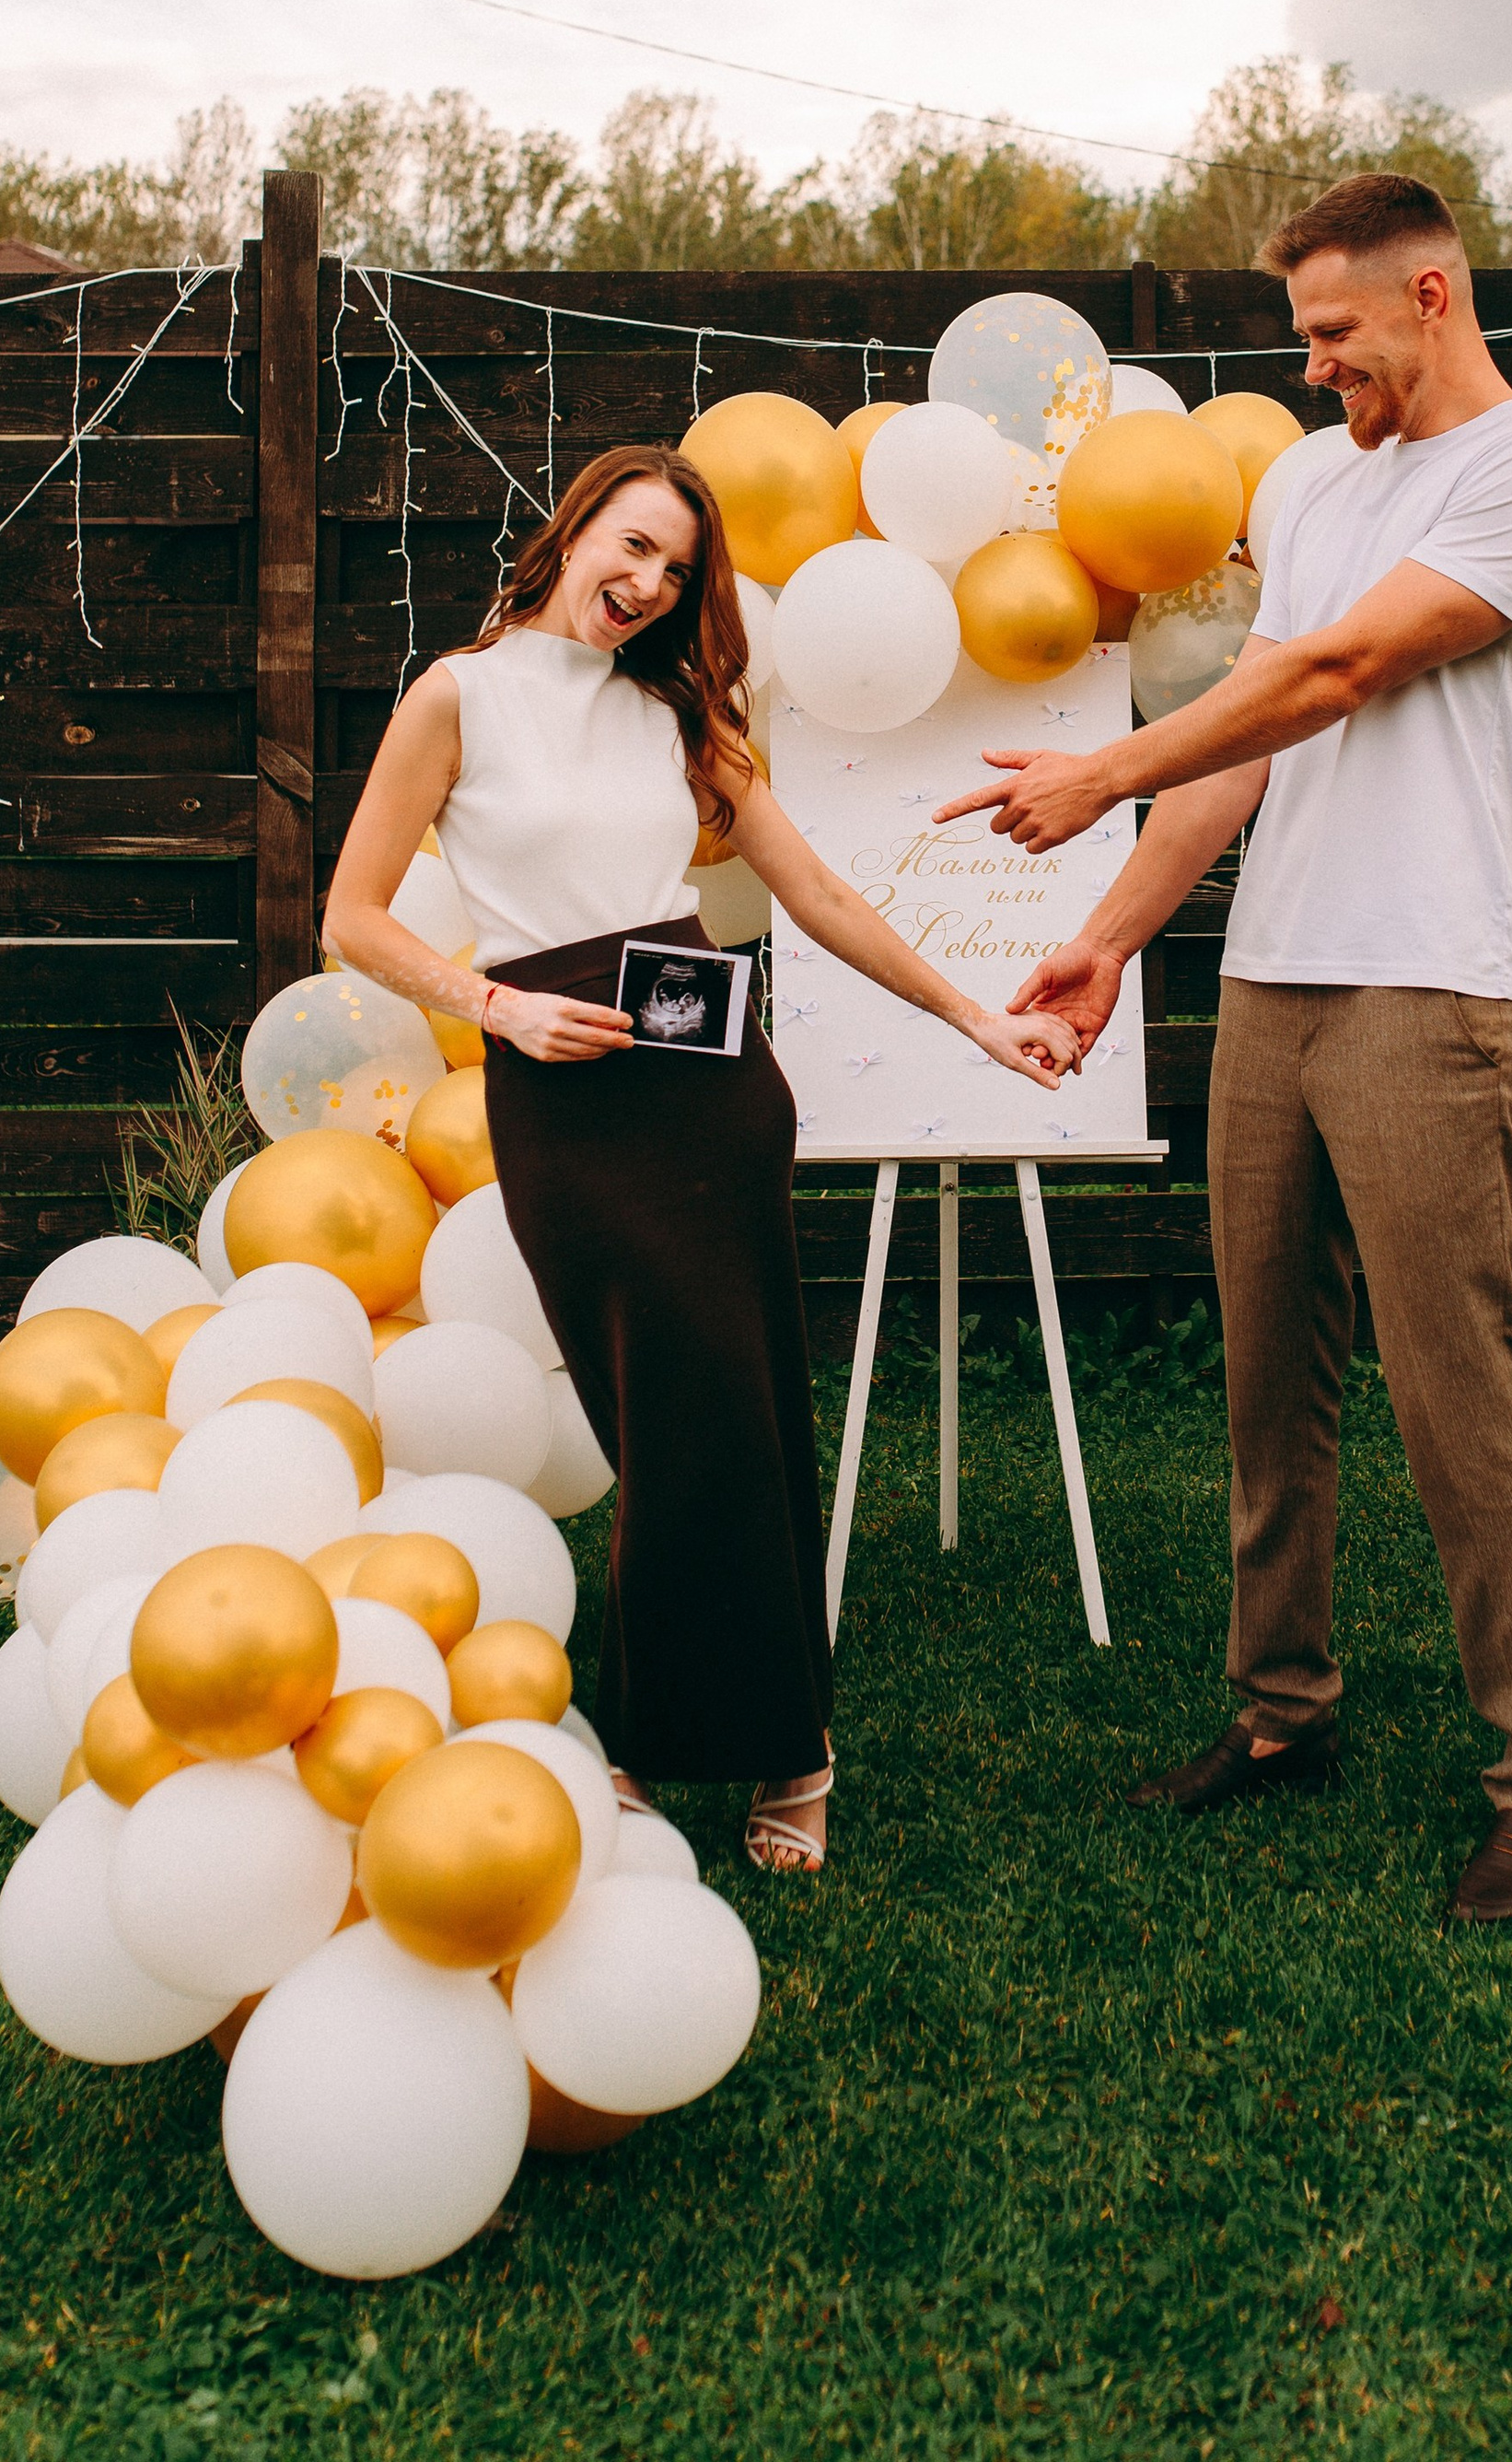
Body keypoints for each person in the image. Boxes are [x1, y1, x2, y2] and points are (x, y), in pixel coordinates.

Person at [935, 173, 1512, 1919]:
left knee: (1458, 1398)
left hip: (1435, 986)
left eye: (1338, 332)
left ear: (1437, 296)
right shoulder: (1311, 482)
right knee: (1266, 1382)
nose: (1316, 370)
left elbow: (1337, 674)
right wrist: (1108, 935)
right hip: (1274, 982)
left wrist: (1099, 772)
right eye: (1302, 335)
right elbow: (1252, 745)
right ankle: (1279, 1713)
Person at [326, 441, 1074, 1873]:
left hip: (710, 1087)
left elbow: (819, 893)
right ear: (572, 534)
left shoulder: (681, 712)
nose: (648, 583)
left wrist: (978, 1018)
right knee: (652, 1432)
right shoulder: (457, 694)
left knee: (739, 1412)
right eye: (631, 546)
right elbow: (354, 917)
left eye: (677, 568)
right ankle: (667, 1729)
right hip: (561, 1095)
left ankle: (786, 1745)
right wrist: (495, 1005)